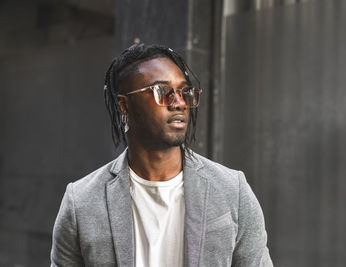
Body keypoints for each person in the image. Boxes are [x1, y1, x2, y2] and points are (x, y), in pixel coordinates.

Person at [50, 43, 273, 267]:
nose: (179, 103)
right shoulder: (81, 202)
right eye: (162, 92)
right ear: (124, 105)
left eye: (184, 91)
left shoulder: (232, 190)